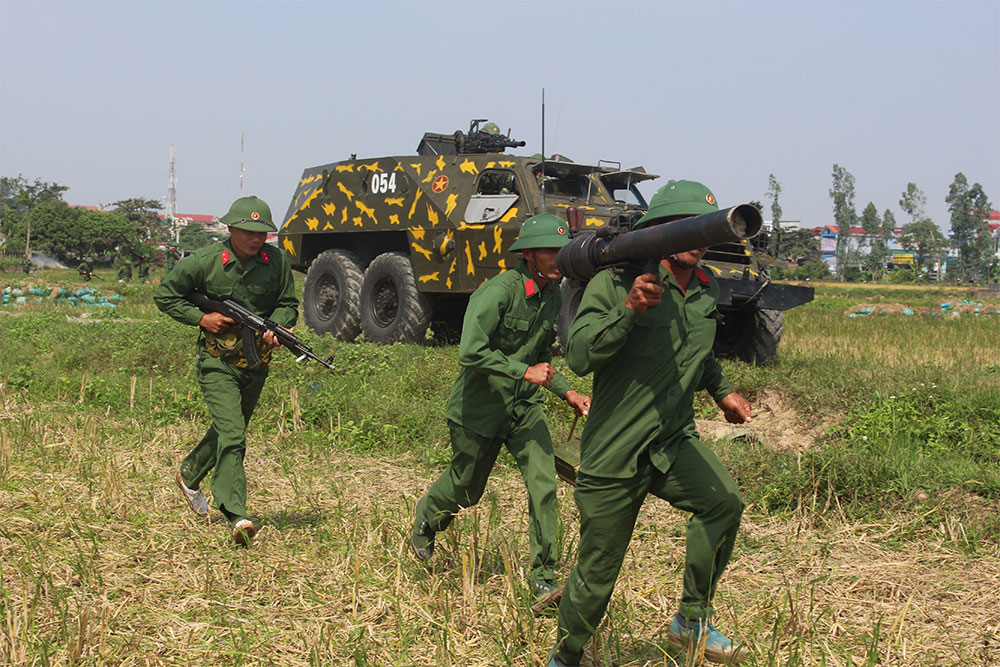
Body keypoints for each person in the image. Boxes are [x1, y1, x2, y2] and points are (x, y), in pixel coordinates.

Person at [549, 180, 753, 666]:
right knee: (597, 573)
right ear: (657, 232)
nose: (697, 241)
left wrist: (722, 392)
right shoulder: (615, 284)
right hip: (616, 449)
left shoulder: (706, 289)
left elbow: (695, 352)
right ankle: (567, 654)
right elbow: (578, 357)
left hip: (673, 439)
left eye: (703, 230)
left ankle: (690, 620)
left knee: (723, 503)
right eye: (684, 228)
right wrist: (629, 310)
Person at [411, 213, 591, 605]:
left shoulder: (552, 296)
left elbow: (542, 358)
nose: (558, 258)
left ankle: (543, 579)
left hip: (525, 409)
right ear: (528, 254)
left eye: (562, 250)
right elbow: (470, 351)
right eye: (549, 251)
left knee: (544, 486)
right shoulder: (498, 292)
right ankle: (427, 515)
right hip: (480, 407)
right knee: (466, 489)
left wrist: (568, 393)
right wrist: (521, 370)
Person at [154, 195, 298, 546]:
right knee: (234, 434)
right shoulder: (205, 262)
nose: (256, 238)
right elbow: (166, 295)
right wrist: (201, 317)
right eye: (248, 231)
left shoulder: (276, 261)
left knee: (227, 429)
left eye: (262, 232)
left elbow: (288, 304)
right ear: (231, 228)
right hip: (217, 361)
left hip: (256, 361)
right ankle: (237, 514)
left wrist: (277, 326)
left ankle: (189, 473)